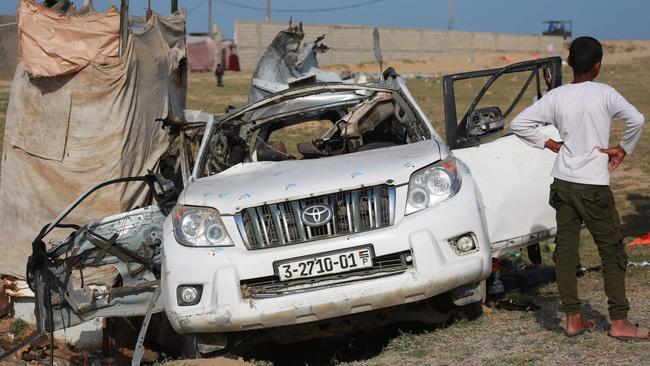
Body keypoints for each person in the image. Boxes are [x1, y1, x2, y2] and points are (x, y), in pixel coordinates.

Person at [510, 36, 647, 340]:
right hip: (594, 187)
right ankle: (620, 322)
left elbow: (519, 124)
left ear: (570, 64)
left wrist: (550, 143)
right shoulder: (605, 93)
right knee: (611, 252)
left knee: (566, 252)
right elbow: (637, 119)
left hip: (563, 183)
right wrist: (622, 149)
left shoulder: (557, 96)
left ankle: (573, 318)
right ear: (598, 66)